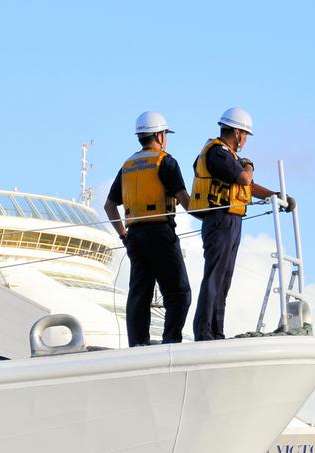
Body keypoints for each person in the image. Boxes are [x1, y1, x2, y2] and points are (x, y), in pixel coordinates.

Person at [189, 107, 295, 341]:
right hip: (219, 220)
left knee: (224, 280)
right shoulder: (218, 153)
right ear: (237, 132)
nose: (245, 140)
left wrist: (275, 196)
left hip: (232, 220)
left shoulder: (230, 157)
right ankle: (205, 332)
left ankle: (217, 331)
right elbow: (245, 178)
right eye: (245, 135)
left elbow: (248, 186)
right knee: (215, 277)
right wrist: (250, 165)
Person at [103, 111, 191, 346]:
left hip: (135, 237)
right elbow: (185, 201)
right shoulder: (165, 161)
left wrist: (124, 236)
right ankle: (171, 341)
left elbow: (109, 206)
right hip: (161, 233)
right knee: (178, 293)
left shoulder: (128, 166)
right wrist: (211, 213)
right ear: (160, 136)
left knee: (139, 295)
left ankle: (138, 345)